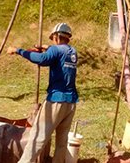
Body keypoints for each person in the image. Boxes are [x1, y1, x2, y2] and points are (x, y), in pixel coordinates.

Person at [7, 22, 78, 163]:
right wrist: (48, 48)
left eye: (52, 38)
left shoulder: (56, 51)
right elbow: (58, 53)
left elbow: (42, 59)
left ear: (57, 36)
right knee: (61, 142)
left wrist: (18, 50)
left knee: (38, 137)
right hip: (70, 103)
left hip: (56, 101)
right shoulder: (73, 52)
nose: (52, 41)